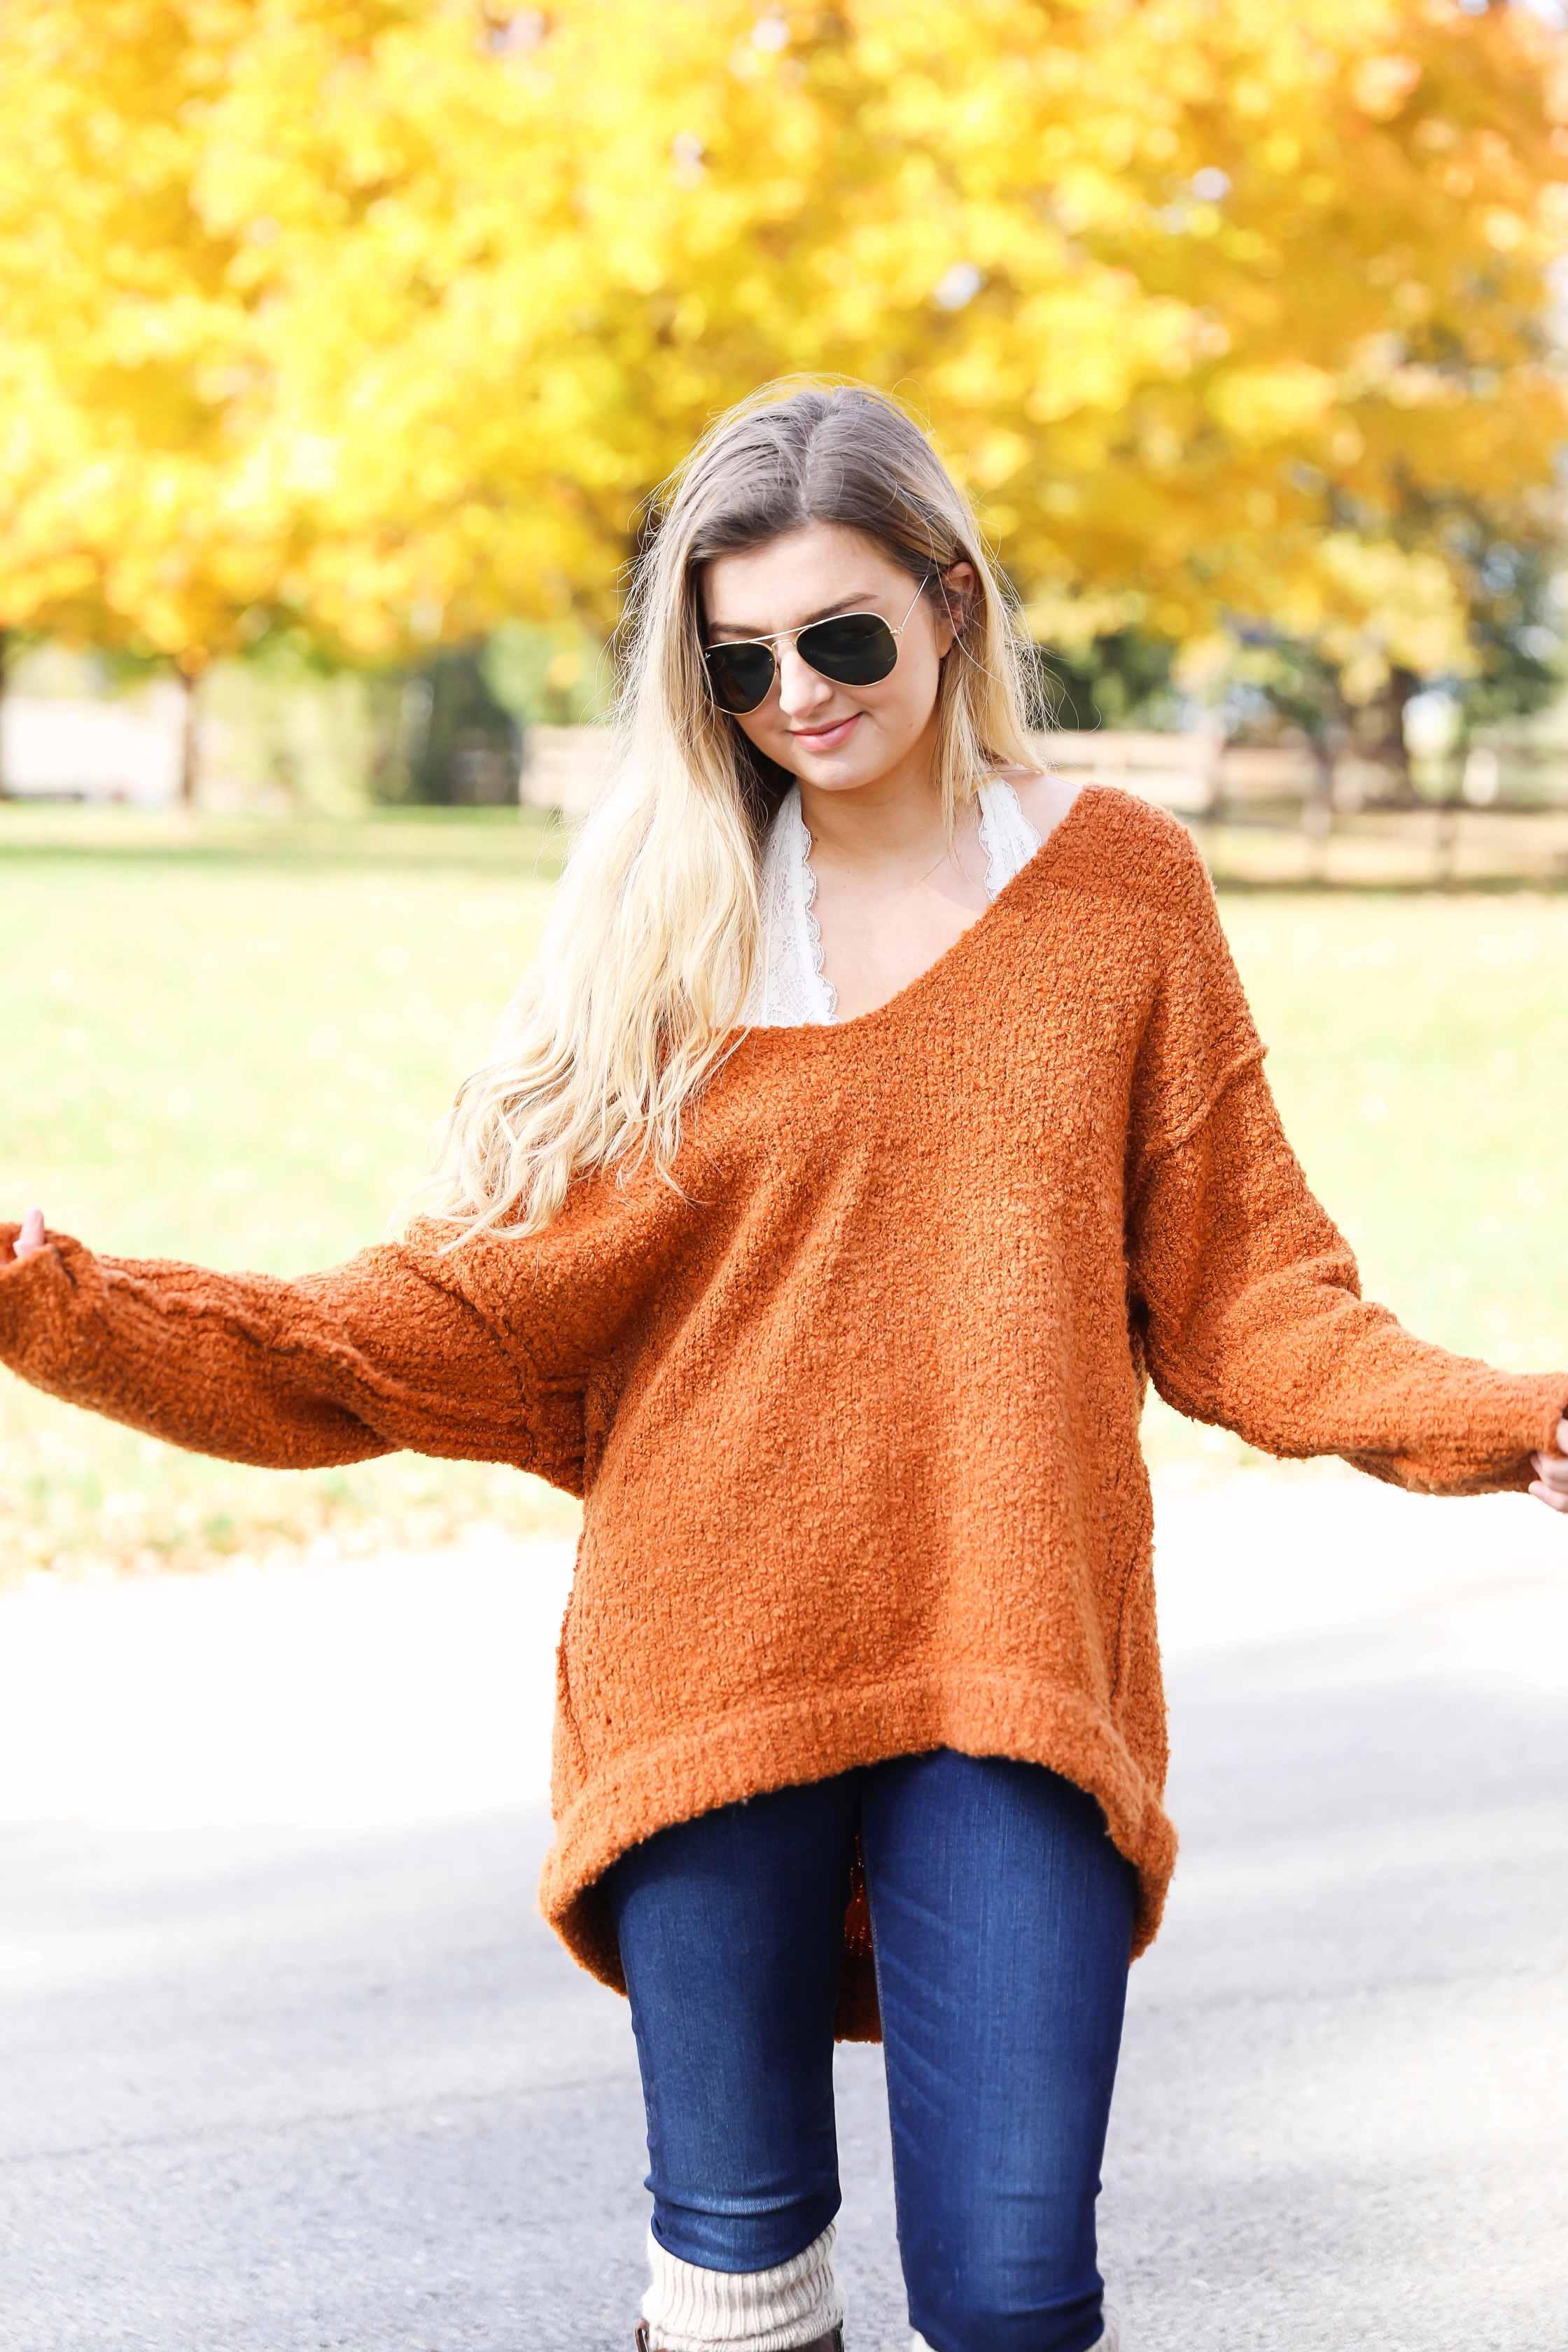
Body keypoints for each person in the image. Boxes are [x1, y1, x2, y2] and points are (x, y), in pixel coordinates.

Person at [3, 381, 1565, 2352]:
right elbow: (430, 1329)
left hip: (1010, 1654)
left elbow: (1255, 1297)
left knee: (1012, 2295)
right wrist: (50, 1299)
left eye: (842, 640)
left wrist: (1513, 1418)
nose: (800, 700)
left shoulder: (1119, 892)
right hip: (707, 1668)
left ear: (954, 605)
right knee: (738, 2290)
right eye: (741, 667)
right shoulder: (670, 935)